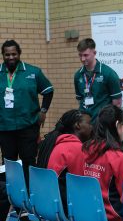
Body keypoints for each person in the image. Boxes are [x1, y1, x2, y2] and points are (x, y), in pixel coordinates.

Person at [0, 40, 54, 180]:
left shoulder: (33, 72)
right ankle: (10, 195)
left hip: (28, 126)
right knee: (8, 163)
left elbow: (48, 91)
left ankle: (32, 195)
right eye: (7, 54)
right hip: (5, 128)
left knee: (29, 162)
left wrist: (43, 111)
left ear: (19, 54)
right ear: (3, 55)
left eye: (14, 54)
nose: (11, 57)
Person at [82, 105, 123, 221]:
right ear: (117, 124)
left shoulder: (85, 149)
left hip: (86, 213)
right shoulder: (118, 157)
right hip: (112, 218)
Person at [37, 109, 92, 211]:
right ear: (78, 125)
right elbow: (81, 184)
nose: (92, 127)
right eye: (89, 123)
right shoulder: (75, 148)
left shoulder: (57, 142)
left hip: (46, 199)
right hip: (64, 205)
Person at [74, 38, 122, 123]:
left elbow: (117, 103)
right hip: (84, 124)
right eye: (80, 55)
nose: (82, 59)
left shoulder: (108, 73)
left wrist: (112, 124)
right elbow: (80, 99)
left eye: (85, 55)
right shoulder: (78, 75)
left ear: (94, 53)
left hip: (102, 123)